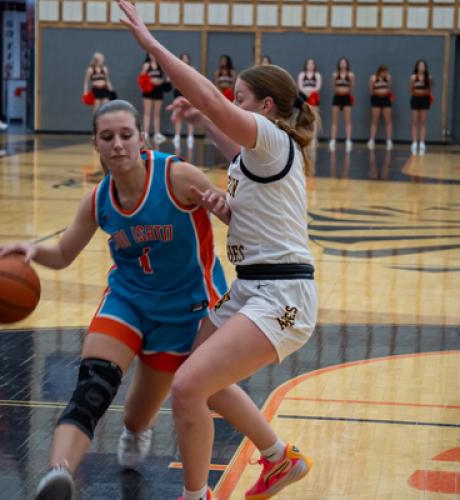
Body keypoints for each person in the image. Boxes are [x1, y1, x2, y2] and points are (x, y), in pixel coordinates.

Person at [118, 2, 319, 500]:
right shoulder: (259, 154)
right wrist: (226, 210)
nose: (232, 103)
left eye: (241, 98)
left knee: (187, 387)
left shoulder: (271, 138)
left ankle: (195, 496)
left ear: (267, 107)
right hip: (253, 285)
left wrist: (152, 45)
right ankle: (279, 458)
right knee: (190, 370)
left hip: (282, 296)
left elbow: (209, 98)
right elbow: (235, 158)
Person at [0, 99, 227, 500]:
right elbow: (64, 253)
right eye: (107, 137)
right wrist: (29, 250)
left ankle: (136, 431)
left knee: (136, 418)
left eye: (125, 135)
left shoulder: (177, 176)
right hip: (128, 301)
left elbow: (234, 217)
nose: (117, 144)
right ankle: (57, 475)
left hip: (183, 310)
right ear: (96, 145)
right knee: (93, 387)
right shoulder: (99, 200)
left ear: (142, 139)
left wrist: (227, 207)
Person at [140, 52, 167, 144]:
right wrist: (150, 81)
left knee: (157, 113)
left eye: (154, 53)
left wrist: (160, 81)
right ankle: (146, 133)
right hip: (148, 90)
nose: (153, 55)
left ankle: (157, 133)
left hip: (158, 90)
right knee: (147, 112)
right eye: (151, 53)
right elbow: (141, 78)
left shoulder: (160, 65)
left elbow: (163, 77)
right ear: (148, 55)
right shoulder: (147, 65)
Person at [329, 57, 354, 152]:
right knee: (334, 121)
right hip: (337, 98)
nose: (343, 64)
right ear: (339, 64)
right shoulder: (335, 75)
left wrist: (345, 92)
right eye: (341, 63)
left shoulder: (350, 75)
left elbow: (352, 87)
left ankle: (348, 140)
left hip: (346, 98)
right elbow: (334, 87)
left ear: (347, 64)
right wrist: (340, 91)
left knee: (348, 120)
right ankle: (333, 140)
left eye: (344, 63)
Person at [172, 53, 195, 150]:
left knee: (189, 115)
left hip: (189, 93)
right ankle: (177, 136)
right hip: (178, 93)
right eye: (183, 59)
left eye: (186, 58)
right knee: (178, 114)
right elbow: (174, 83)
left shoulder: (192, 69)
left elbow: (194, 82)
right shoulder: (176, 69)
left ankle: (190, 136)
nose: (185, 60)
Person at [409, 59, 432, 155]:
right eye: (420, 65)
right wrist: (419, 92)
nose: (421, 67)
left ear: (425, 67)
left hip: (425, 100)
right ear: (417, 67)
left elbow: (429, 90)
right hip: (415, 99)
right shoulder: (413, 77)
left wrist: (421, 92)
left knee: (423, 121)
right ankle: (414, 142)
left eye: (423, 65)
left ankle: (422, 143)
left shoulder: (429, 78)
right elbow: (411, 90)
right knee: (415, 121)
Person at [367, 65, 393, 150]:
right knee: (374, 120)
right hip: (376, 99)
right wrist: (378, 93)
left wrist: (384, 93)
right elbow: (371, 90)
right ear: (380, 71)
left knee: (388, 120)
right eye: (384, 71)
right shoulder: (373, 78)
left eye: (386, 71)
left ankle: (389, 140)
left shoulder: (388, 78)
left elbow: (389, 89)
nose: (385, 73)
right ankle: (372, 140)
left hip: (386, 99)